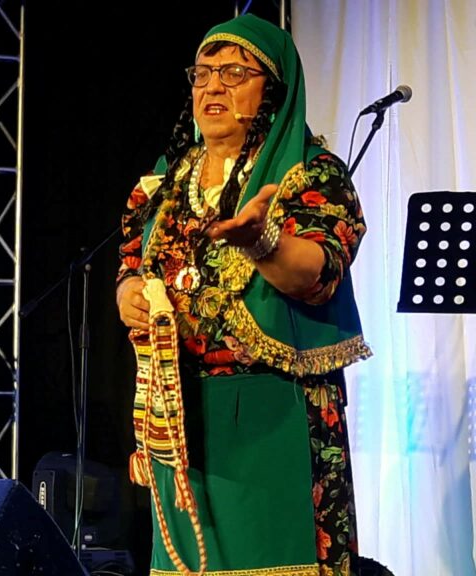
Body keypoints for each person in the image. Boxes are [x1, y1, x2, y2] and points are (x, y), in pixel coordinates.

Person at [115, 15, 370, 576]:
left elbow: (317, 272)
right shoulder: (166, 182)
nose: (213, 86)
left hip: (277, 419)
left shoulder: (310, 175)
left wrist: (262, 242)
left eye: (234, 73)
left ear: (273, 91)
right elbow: (133, 261)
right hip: (180, 427)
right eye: (203, 73)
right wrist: (129, 291)